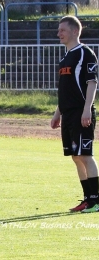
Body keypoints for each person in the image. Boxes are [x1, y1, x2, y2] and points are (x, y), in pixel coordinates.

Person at [51, 15, 99, 213]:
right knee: (75, 156)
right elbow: (65, 89)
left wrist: (87, 108)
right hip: (68, 113)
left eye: (63, 30)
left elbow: (92, 82)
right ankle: (87, 199)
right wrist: (57, 113)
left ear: (75, 31)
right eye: (59, 30)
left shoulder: (85, 54)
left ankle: (96, 200)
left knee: (85, 155)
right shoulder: (65, 58)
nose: (59, 33)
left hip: (82, 112)